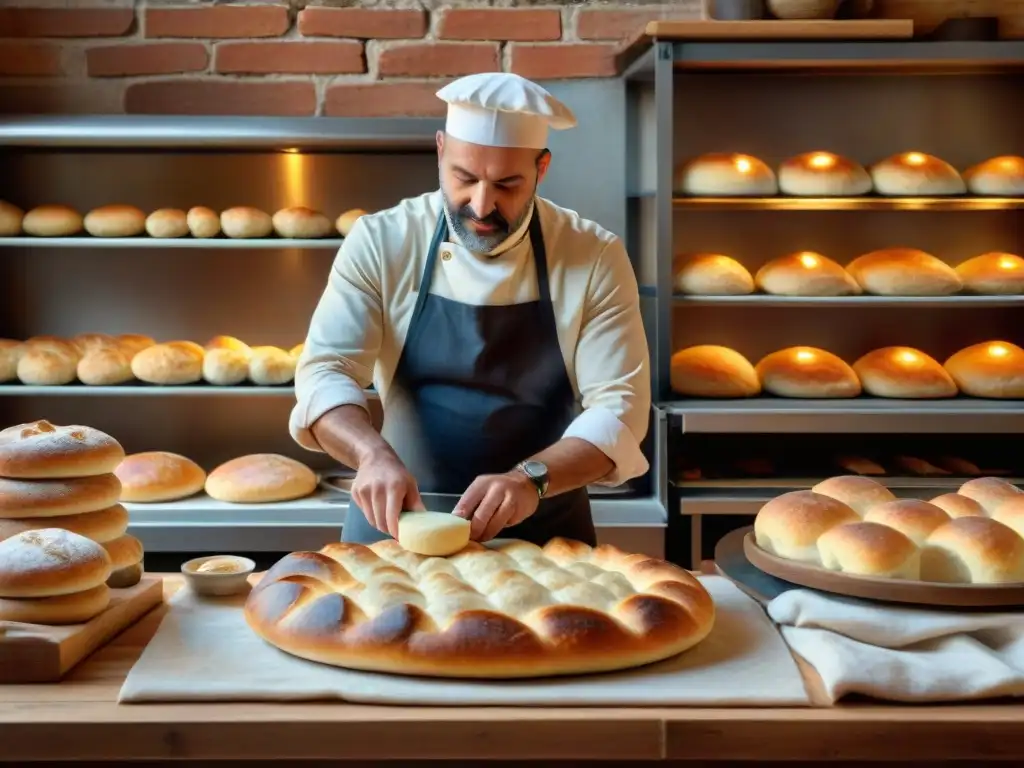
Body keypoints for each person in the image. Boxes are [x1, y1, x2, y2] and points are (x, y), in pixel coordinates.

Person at [290, 72, 651, 547]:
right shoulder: (383, 241)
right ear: (441, 151)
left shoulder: (593, 256)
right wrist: (370, 454)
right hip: (395, 528)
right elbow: (325, 372)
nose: (481, 205)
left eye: (507, 184)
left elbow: (620, 411)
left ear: (541, 169)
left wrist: (530, 480)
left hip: (545, 536)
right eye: (464, 178)